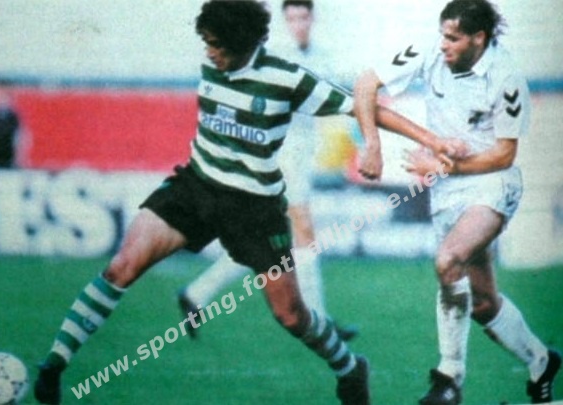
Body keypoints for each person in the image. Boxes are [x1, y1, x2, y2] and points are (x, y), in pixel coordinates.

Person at [34, 1, 454, 404]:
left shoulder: (287, 79)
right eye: (207, 42)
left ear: (241, 43)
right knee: (121, 267)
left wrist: (428, 141)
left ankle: (349, 367)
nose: (209, 52)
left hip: (255, 209)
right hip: (196, 187)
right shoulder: (211, 63)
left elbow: (364, 106)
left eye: (216, 44)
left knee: (291, 316)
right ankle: (55, 363)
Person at [354, 0, 561, 404]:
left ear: (478, 38)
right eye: (442, 35)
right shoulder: (430, 50)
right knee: (482, 304)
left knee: (449, 260)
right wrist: (374, 146)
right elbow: (365, 84)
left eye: (453, 38)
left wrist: (443, 165)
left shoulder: (506, 77)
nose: (443, 44)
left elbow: (504, 154)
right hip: (447, 188)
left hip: (492, 184)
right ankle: (541, 360)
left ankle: (449, 378)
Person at [178, 0, 358, 342]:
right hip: (278, 154)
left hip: (302, 154)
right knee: (303, 232)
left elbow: (329, 104)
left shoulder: (323, 57)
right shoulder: (274, 55)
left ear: (312, 18)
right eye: (292, 18)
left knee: (261, 242)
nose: (298, 24)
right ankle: (320, 318)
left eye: (303, 16)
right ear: (284, 21)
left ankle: (196, 293)